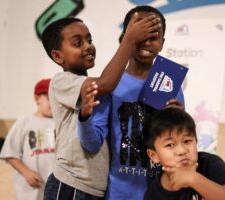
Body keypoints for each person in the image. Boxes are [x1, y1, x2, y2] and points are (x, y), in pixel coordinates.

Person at [41, 15, 161, 200]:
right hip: (71, 183)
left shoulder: (99, 94)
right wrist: (129, 39)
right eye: (77, 43)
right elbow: (105, 83)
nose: (88, 46)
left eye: (89, 40)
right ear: (57, 56)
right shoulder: (61, 82)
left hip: (95, 189)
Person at [78, 5, 185, 200]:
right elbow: (91, 144)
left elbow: (180, 146)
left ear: (162, 43)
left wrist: (180, 120)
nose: (146, 42)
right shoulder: (110, 85)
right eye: (139, 36)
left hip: (161, 191)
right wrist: (84, 117)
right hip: (118, 192)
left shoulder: (172, 85)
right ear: (124, 39)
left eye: (153, 37)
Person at [142, 107, 225, 200]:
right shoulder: (153, 194)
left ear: (196, 141)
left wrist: (193, 179)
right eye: (170, 145)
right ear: (153, 155)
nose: (182, 151)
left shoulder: (210, 163)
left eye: (187, 141)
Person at [0, 78, 55, 200]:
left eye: (56, 99)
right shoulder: (24, 122)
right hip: (32, 187)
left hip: (56, 188)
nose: (53, 103)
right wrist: (26, 172)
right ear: (37, 98)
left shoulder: (61, 123)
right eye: (49, 98)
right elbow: (10, 153)